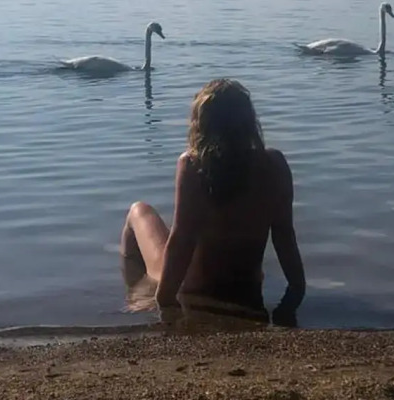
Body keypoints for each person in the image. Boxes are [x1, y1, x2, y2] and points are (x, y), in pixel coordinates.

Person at [120, 78, 306, 325]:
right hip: (247, 285)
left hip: (194, 286)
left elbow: (182, 240)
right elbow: (284, 236)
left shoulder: (193, 166)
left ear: (201, 125)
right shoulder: (275, 165)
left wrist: (164, 302)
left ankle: (136, 293)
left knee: (138, 211)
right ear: (250, 123)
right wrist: (297, 291)